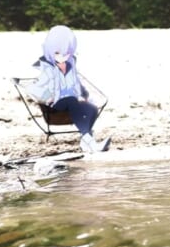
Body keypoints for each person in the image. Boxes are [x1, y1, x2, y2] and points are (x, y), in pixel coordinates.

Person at [27, 25, 110, 153]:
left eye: (66, 53)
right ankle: (89, 142)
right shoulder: (47, 68)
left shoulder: (70, 65)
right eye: (57, 52)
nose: (62, 56)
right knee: (71, 100)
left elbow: (77, 85)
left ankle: (86, 139)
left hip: (72, 105)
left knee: (92, 108)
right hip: (54, 106)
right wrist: (47, 97)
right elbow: (33, 88)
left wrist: (84, 95)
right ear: (50, 50)